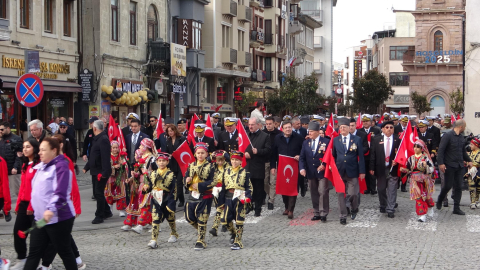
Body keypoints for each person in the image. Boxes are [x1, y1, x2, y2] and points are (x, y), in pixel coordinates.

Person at [24, 137, 77, 270]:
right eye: (39, 150)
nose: (39, 153)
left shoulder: (61, 166)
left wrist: (50, 209)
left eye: (43, 150)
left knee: (64, 251)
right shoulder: (41, 166)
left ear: (53, 151)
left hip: (59, 219)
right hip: (41, 220)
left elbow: (61, 192)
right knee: (34, 253)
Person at [40, 134, 85, 270]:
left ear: (57, 147)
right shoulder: (44, 163)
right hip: (47, 212)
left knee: (59, 242)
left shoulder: (64, 162)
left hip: (61, 211)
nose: (40, 152)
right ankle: (76, 260)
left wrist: (76, 206)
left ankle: (45, 264)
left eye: (44, 149)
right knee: (61, 240)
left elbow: (69, 187)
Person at [10, 139, 39, 270]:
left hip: (35, 205)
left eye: (28, 147)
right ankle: (22, 258)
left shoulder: (38, 165)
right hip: (23, 203)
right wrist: (18, 204)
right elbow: (23, 186)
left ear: (35, 148)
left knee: (37, 235)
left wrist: (31, 206)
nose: (25, 149)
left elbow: (37, 188)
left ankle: (40, 261)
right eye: (23, 147)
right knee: (18, 231)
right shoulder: (25, 164)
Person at [332, 118, 365, 225]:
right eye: (340, 128)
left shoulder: (357, 139)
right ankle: (343, 215)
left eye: (344, 127)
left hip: (353, 170)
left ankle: (354, 208)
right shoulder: (336, 140)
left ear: (348, 128)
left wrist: (362, 171)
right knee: (341, 195)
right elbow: (334, 155)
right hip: (340, 171)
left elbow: (361, 156)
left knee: (353, 194)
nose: (342, 129)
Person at [436, 119, 472, 215]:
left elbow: (463, 152)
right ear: (461, 127)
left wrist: (469, 160)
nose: (465, 128)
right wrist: (441, 163)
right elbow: (441, 150)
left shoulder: (461, 137)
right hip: (449, 165)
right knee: (448, 186)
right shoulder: (447, 136)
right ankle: (440, 199)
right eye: (464, 126)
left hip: (459, 165)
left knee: (459, 186)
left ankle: (456, 208)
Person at [184, 142, 215, 250]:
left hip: (205, 196)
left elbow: (214, 181)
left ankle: (201, 240)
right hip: (193, 195)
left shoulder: (211, 166)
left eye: (202, 153)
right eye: (198, 153)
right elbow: (186, 176)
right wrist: (187, 181)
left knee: (202, 218)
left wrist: (201, 185)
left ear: (206, 154)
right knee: (189, 217)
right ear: (195, 154)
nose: (200, 155)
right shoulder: (191, 165)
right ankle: (201, 230)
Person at [144, 152, 178, 249]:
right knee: (155, 219)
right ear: (157, 162)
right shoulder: (153, 173)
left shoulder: (171, 174)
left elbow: (174, 190)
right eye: (159, 161)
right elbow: (151, 185)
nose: (161, 163)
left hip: (167, 198)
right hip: (155, 199)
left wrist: (172, 203)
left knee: (170, 217)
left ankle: (174, 233)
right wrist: (147, 188)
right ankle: (154, 240)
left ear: (167, 162)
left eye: (163, 161)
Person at [122, 139, 157, 233]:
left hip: (149, 184)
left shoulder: (152, 158)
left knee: (146, 204)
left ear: (146, 147)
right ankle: (151, 223)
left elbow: (155, 172)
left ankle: (141, 224)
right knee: (143, 204)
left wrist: (146, 174)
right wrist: (136, 174)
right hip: (142, 184)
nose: (140, 148)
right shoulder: (143, 157)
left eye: (141, 146)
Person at [220, 150, 252, 250]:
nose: (234, 162)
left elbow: (249, 187)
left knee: (239, 221)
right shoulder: (226, 171)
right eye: (233, 159)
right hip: (228, 198)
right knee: (224, 220)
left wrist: (247, 198)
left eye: (236, 160)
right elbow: (223, 187)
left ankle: (238, 241)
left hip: (240, 198)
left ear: (240, 161)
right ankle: (233, 233)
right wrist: (220, 202)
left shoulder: (245, 172)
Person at [271, 121, 304, 219]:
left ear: (292, 127)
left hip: (295, 166)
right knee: (284, 188)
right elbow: (273, 153)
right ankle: (286, 206)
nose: (288, 129)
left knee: (293, 188)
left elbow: (304, 150)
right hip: (282, 166)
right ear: (282, 129)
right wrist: (273, 166)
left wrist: (300, 156)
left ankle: (291, 210)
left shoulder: (298, 138)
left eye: (289, 127)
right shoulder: (278, 138)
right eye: (286, 128)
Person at [299, 121, 330, 222]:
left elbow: (329, 156)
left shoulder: (326, 142)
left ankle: (323, 212)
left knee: (323, 191)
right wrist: (302, 168)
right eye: (309, 131)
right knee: (314, 192)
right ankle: (316, 212)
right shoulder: (306, 142)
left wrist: (324, 165)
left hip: (322, 172)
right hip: (310, 171)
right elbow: (302, 158)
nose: (309, 133)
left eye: (311, 131)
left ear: (317, 131)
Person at [83, 120, 113, 224]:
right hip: (95, 170)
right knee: (97, 193)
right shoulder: (97, 139)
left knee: (98, 193)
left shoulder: (103, 139)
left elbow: (105, 157)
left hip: (100, 171)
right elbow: (93, 155)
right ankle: (107, 211)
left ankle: (99, 215)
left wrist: (105, 172)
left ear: (95, 128)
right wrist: (87, 167)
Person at [369, 121, 400, 218]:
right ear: (383, 129)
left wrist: (397, 161)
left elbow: (401, 155)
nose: (389, 129)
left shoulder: (397, 140)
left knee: (392, 189)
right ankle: (383, 204)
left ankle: (390, 208)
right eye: (387, 127)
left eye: (391, 127)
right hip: (380, 168)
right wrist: (371, 167)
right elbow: (372, 154)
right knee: (381, 189)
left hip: (392, 168)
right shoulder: (376, 139)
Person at [401, 140, 435, 222]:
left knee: (426, 196)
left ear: (422, 148)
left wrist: (426, 166)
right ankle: (422, 214)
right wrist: (404, 170)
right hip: (414, 181)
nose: (415, 149)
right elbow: (409, 169)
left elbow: (432, 169)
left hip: (424, 180)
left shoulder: (425, 158)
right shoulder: (410, 158)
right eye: (415, 147)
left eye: (418, 147)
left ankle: (430, 206)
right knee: (419, 197)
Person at [245, 117, 271, 217]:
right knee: (247, 189)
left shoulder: (265, 136)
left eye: (252, 125)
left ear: (258, 125)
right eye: (249, 125)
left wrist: (258, 151)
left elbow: (268, 151)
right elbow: (241, 147)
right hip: (247, 166)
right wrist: (245, 153)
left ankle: (257, 209)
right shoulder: (246, 135)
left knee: (258, 189)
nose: (250, 126)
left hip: (258, 166)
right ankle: (248, 206)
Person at [163, 124, 187, 207]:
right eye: (168, 131)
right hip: (172, 164)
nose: (170, 133)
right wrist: (168, 155)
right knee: (173, 183)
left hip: (180, 164)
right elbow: (166, 151)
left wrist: (177, 153)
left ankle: (175, 200)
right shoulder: (168, 140)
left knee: (179, 182)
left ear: (175, 130)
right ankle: (181, 199)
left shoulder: (181, 138)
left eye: (171, 131)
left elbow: (185, 150)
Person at [356, 114, 381, 195]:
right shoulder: (359, 131)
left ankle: (373, 188)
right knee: (365, 171)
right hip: (364, 155)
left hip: (374, 153)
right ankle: (366, 188)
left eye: (367, 121)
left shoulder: (376, 130)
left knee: (373, 171)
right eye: (364, 121)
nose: (365, 123)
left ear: (371, 122)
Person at [209, 150, 230, 236]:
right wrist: (212, 156)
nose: (220, 162)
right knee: (219, 207)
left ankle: (216, 226)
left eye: (222, 160)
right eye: (218, 160)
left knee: (221, 208)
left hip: (225, 189)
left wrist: (225, 154)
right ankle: (222, 224)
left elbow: (230, 159)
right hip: (215, 189)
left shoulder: (228, 166)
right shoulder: (213, 166)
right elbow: (207, 161)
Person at [262, 116, 282, 209]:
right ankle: (269, 193)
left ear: (274, 123)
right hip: (264, 160)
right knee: (265, 181)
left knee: (273, 181)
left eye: (270, 124)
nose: (268, 126)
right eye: (267, 124)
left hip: (275, 161)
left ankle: (271, 200)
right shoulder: (262, 133)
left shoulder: (279, 134)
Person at [0, 121, 22, 199]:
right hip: (3, 170)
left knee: (17, 190)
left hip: (12, 169)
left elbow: (19, 155)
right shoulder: (1, 139)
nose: (0, 131)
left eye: (2, 129)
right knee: (3, 191)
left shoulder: (16, 139)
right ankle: (5, 208)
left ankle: (22, 208)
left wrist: (15, 167)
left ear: (8, 128)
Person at [106, 141, 128, 217]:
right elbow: (107, 166)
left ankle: (121, 210)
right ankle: (109, 209)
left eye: (116, 148)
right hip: (111, 177)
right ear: (111, 148)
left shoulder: (121, 156)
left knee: (121, 192)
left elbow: (126, 165)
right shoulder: (108, 156)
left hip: (120, 176)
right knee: (110, 193)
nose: (115, 149)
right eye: (113, 148)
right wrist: (113, 167)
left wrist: (123, 164)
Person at [466, 137, 480, 209]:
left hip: (477, 172)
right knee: (471, 187)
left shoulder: (479, 153)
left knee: (478, 187)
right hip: (470, 172)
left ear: (476, 145)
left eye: (471, 144)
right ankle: (473, 202)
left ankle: (477, 200)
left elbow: (477, 163)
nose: (470, 146)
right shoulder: (470, 153)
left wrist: (470, 163)